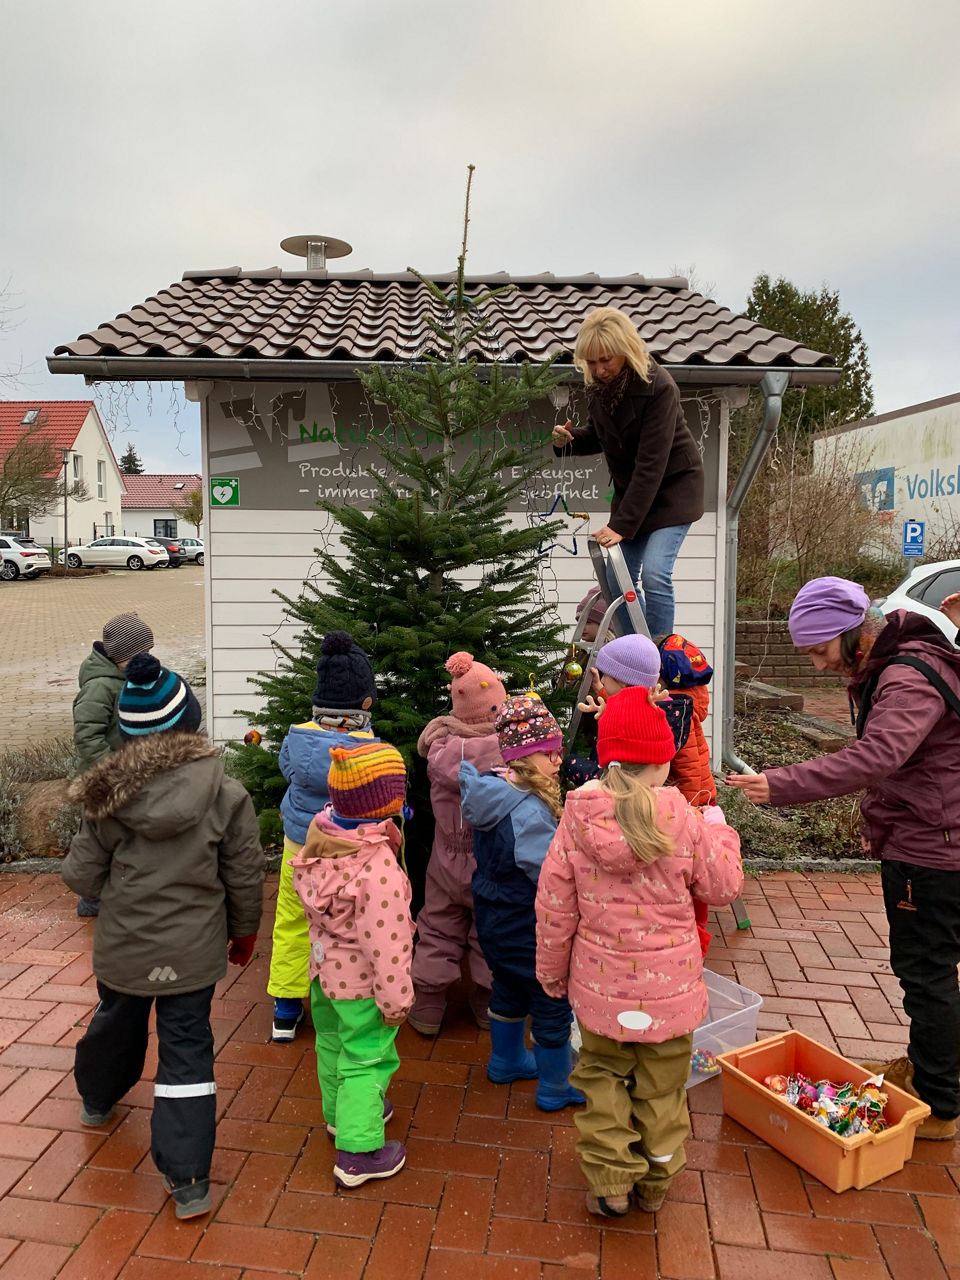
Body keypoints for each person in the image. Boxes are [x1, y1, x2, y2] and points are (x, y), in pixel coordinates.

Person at [726, 576, 960, 1142]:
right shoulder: (895, 662)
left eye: (820, 651)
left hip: (933, 849)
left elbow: (878, 756)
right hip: (926, 834)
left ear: (855, 634)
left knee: (925, 973)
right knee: (929, 968)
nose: (815, 665)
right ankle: (932, 1069)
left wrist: (781, 784)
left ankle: (940, 1101)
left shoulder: (905, 676)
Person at [62, 653, 264, 1220]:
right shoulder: (227, 794)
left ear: (127, 732)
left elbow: (81, 874)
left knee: (118, 1021)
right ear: (191, 724)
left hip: (126, 948)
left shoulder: (108, 797)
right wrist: (244, 932)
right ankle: (189, 1178)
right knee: (187, 1052)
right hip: (193, 955)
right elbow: (244, 875)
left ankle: (97, 1099)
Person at [535, 686, 743, 1217]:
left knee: (601, 1081)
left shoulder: (576, 821)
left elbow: (555, 909)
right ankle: (656, 1181)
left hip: (600, 995)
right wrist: (726, 837)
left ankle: (610, 1183)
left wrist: (552, 976)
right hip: (670, 997)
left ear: (608, 756)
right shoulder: (685, 818)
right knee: (663, 1089)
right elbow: (722, 889)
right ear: (665, 757)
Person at [290, 740, 414, 1189]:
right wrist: (397, 1000)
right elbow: (389, 944)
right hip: (362, 986)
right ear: (388, 804)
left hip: (324, 976)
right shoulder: (378, 867)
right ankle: (360, 1152)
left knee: (330, 1044)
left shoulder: (322, 835)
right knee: (367, 1057)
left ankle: (340, 1117)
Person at [460, 694, 584, 1111]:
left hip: (493, 921)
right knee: (550, 1001)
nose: (559, 759)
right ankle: (555, 1086)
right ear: (531, 757)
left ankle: (506, 1059)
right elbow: (547, 874)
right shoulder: (529, 813)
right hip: (526, 925)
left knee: (507, 988)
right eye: (552, 752)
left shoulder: (494, 790)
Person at [551, 308, 704, 637]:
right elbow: (601, 435)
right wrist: (570, 439)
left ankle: (662, 653)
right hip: (634, 494)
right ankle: (636, 647)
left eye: (606, 359)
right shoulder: (599, 390)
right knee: (613, 578)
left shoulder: (658, 386)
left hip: (673, 492)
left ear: (625, 350)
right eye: (591, 362)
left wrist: (621, 525)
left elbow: (652, 462)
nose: (599, 369)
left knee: (654, 575)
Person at [269, 631, 378, 1042]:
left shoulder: (297, 737)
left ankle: (284, 1010)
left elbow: (287, 770)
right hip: (343, 852)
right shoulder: (368, 746)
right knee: (339, 926)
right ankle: (335, 1001)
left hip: (297, 845)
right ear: (365, 703)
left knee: (291, 920)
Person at [409, 652, 504, 1036]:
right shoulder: (504, 749)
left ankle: (428, 1004)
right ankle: (487, 1002)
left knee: (438, 924)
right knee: (489, 928)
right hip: (489, 857)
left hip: (446, 856)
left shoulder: (439, 749)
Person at [72, 611, 155, 917]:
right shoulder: (99, 688)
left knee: (125, 839)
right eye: (140, 653)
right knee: (99, 844)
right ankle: (92, 900)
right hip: (104, 780)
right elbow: (87, 736)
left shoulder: (126, 679)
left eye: (149, 651)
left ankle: (123, 893)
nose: (146, 658)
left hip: (126, 776)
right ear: (121, 656)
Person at [659, 633, 718, 955]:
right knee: (696, 876)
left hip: (689, 801)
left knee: (689, 880)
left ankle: (694, 941)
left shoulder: (674, 709)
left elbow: (682, 764)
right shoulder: (692, 698)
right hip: (701, 796)